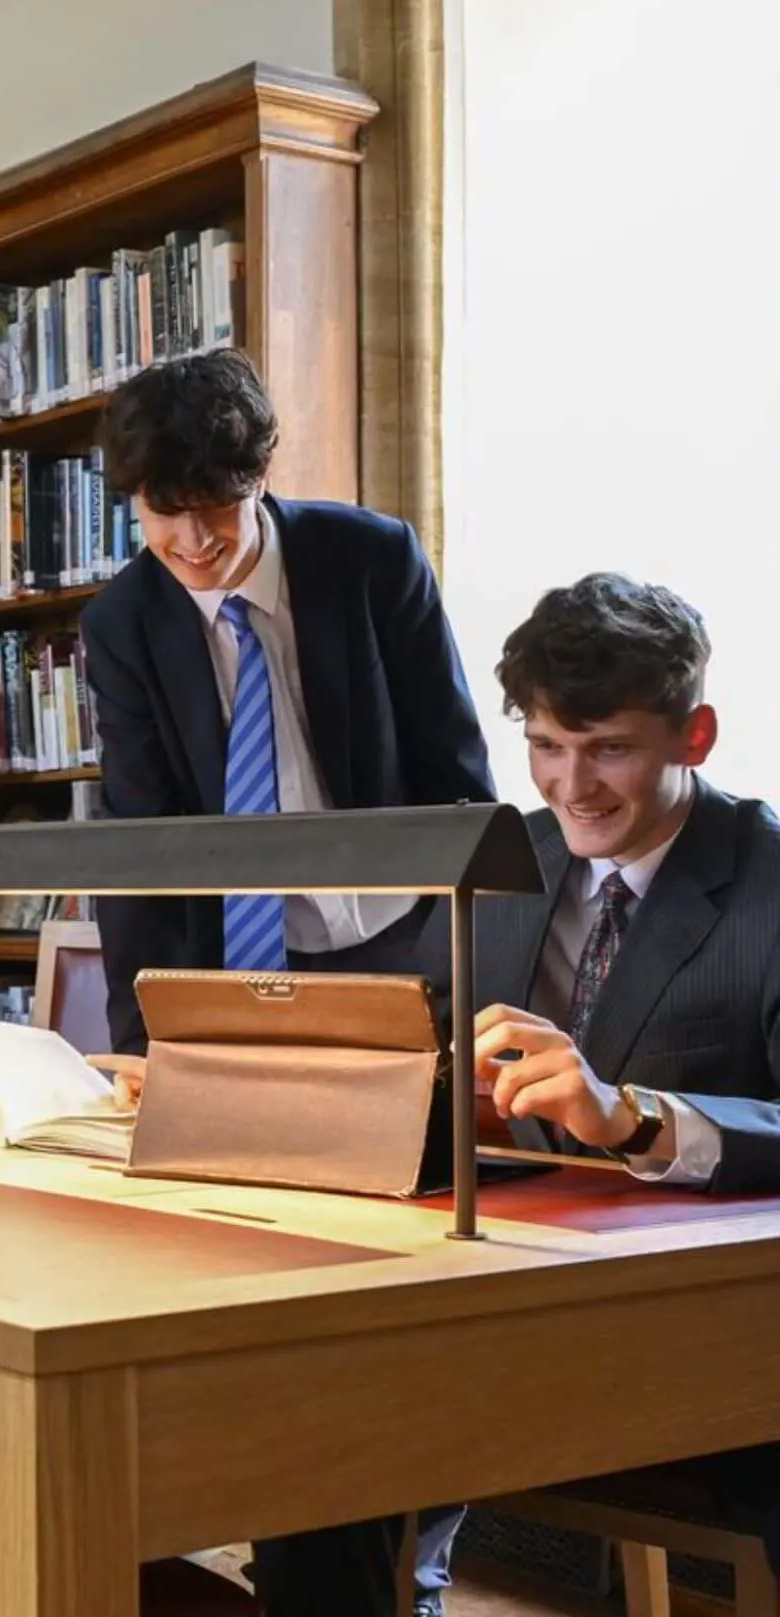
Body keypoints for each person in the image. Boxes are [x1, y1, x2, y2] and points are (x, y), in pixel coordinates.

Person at [79, 350, 495, 1617]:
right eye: (165, 517)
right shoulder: (124, 619)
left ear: (261, 481)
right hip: (236, 967)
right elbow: (140, 835)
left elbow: (456, 767)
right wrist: (141, 1024)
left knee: (412, 1268)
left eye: (218, 510)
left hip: (393, 949)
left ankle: (404, 1555)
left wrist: (467, 963)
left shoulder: (369, 558)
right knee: (258, 1271)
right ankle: (302, 1544)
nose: (195, 543)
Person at [470, 573, 780, 1570]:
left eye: (609, 750)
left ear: (696, 737)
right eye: (546, 748)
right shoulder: (503, 858)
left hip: (699, 1335)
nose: (570, 786)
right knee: (311, 1447)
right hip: (491, 1292)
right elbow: (416, 1040)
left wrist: (635, 1118)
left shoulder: (768, 881)